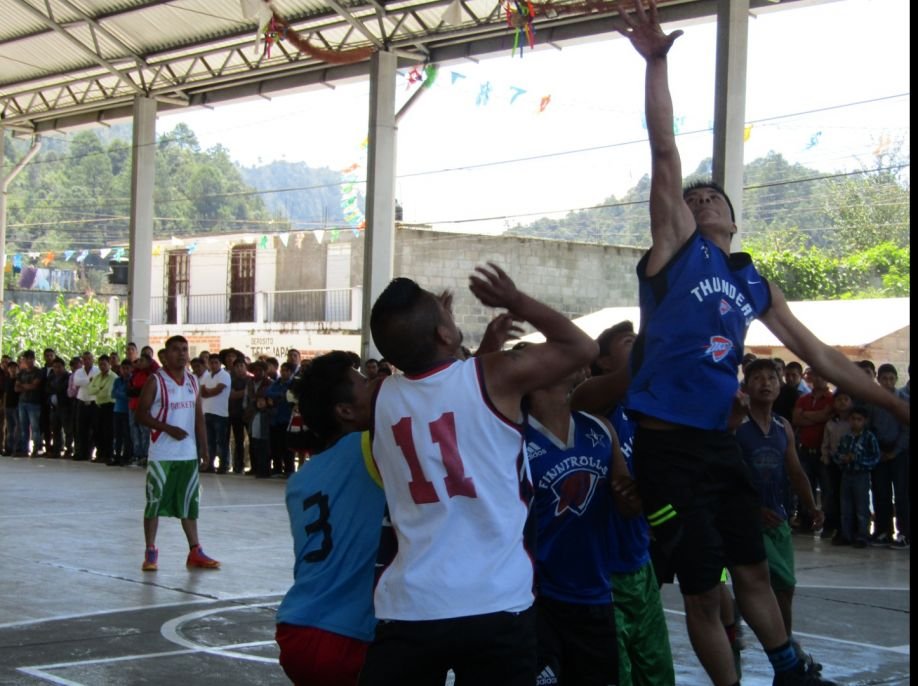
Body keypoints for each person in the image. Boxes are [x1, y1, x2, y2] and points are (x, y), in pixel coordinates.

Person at [615, 3, 906, 684]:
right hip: (666, 445)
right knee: (698, 588)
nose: (704, 197)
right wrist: (656, 63)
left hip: (719, 443)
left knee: (750, 565)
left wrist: (894, 406)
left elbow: (826, 357)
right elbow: (664, 151)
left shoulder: (751, 284)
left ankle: (786, 666)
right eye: (695, 195)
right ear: (679, 214)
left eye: (715, 194)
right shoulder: (672, 251)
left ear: (734, 216)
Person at [360, 265, 597, 686]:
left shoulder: (378, 397)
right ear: (445, 336)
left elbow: (444, 388)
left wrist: (438, 328)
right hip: (496, 602)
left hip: (411, 605)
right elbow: (581, 347)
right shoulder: (494, 376)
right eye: (446, 316)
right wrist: (516, 299)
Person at [571, 321, 675, 686]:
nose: (640, 346)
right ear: (600, 361)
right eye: (630, 342)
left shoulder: (643, 412)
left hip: (639, 559)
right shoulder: (586, 402)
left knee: (658, 672)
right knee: (618, 673)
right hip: (603, 570)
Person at [524, 358, 637, 686]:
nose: (582, 366)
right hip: (538, 596)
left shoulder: (600, 428)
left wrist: (637, 496)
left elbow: (627, 505)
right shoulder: (514, 437)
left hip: (594, 593)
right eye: (567, 358)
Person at [275, 351, 385, 686]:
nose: (377, 384)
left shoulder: (301, 480)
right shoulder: (369, 445)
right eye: (365, 382)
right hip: (345, 635)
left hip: (296, 626)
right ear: (346, 411)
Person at [735, 359, 825, 673]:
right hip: (748, 521)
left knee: (786, 587)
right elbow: (725, 475)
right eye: (757, 377)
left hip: (779, 518)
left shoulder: (782, 426)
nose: (765, 383)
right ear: (746, 386)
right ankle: (785, 652)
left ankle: (782, 644)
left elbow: (796, 471)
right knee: (767, 584)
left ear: (780, 384)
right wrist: (751, 510)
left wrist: (812, 506)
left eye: (771, 377)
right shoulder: (736, 424)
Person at [135, 335, 220, 571]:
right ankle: (150, 551)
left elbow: (199, 418)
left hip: (187, 453)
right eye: (176, 350)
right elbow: (140, 414)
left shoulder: (193, 381)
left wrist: (204, 450)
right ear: (165, 355)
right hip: (162, 452)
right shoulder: (156, 381)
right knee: (154, 501)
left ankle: (195, 550)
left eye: (185, 349)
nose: (182, 354)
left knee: (189, 503)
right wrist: (167, 428)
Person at [866, 364, 906, 546]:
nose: (888, 382)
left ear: (896, 379)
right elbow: (869, 427)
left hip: (899, 452)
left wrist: (894, 451)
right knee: (880, 492)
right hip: (879, 451)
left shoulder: (904, 400)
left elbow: (907, 429)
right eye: (884, 379)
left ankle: (904, 533)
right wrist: (878, 450)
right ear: (878, 380)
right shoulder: (873, 402)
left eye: (891, 378)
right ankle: (883, 531)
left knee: (902, 494)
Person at [791, 372, 833, 532]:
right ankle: (806, 521)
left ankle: (827, 524)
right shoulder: (803, 398)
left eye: (822, 376)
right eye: (816, 376)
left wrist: (806, 415)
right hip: (805, 449)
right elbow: (796, 419)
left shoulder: (831, 399)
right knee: (805, 486)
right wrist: (817, 417)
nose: (818, 379)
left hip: (823, 451)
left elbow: (826, 416)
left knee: (827, 489)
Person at [833, 406, 880, 548]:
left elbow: (875, 457)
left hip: (862, 475)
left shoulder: (869, 437)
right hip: (847, 475)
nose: (855, 422)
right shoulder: (846, 438)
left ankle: (863, 536)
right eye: (853, 419)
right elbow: (837, 454)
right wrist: (843, 459)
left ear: (864, 421)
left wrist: (859, 460)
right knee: (845, 507)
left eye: (859, 419)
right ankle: (846, 535)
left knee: (861, 507)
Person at [200, 353, 232, 474]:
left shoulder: (225, 375)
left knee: (221, 442)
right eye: (211, 363)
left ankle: (223, 465)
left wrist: (208, 391)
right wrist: (209, 391)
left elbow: (218, 390)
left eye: (216, 363)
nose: (213, 365)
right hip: (207, 411)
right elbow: (202, 392)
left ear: (220, 364)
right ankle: (210, 465)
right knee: (210, 441)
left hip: (220, 413)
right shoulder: (207, 376)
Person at [266, 362, 296, 476]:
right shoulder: (276, 383)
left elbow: (289, 396)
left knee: (287, 446)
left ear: (291, 372)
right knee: (275, 445)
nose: (284, 373)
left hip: (287, 418)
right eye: (282, 370)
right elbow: (268, 392)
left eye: (287, 370)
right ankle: (277, 468)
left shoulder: (293, 384)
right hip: (275, 418)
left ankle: (289, 469)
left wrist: (279, 396)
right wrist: (280, 396)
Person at [87, 355, 116, 465]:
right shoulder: (97, 377)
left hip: (109, 406)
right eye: (100, 364)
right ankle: (100, 454)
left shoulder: (113, 377)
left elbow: (107, 392)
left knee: (108, 432)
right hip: (98, 406)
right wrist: (99, 389)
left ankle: (108, 455)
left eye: (104, 364)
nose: (102, 366)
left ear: (109, 364)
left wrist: (97, 389)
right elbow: (90, 390)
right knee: (97, 431)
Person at [14, 350, 43, 457]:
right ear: (24, 360)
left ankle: (36, 449)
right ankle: (24, 449)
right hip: (22, 402)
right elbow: (16, 388)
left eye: (31, 359)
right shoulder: (21, 372)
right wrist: (27, 386)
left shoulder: (38, 372)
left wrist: (23, 385)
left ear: (34, 359)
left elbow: (34, 386)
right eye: (27, 359)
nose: (29, 361)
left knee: (35, 427)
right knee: (23, 427)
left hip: (34, 403)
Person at [228, 357, 250, 474]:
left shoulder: (250, 380)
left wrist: (243, 392)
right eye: (237, 366)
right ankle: (238, 465)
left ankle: (253, 465)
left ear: (246, 367)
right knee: (238, 440)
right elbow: (232, 395)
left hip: (248, 414)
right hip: (235, 413)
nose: (240, 369)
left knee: (252, 440)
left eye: (242, 366)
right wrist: (246, 392)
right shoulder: (231, 380)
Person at [112, 361, 133, 466]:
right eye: (123, 368)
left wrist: (120, 394)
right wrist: (123, 394)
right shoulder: (117, 380)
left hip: (127, 411)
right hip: (117, 410)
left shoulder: (132, 380)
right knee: (117, 435)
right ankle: (117, 456)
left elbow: (130, 395)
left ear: (131, 369)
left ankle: (126, 456)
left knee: (127, 435)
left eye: (127, 368)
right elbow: (113, 394)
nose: (125, 371)